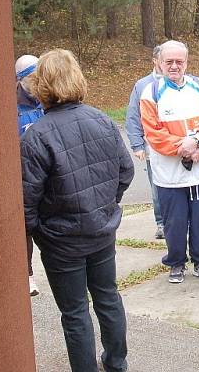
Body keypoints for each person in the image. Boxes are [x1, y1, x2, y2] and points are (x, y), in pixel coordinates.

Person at [21, 49, 134, 372]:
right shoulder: (101, 119)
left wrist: (39, 232)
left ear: (41, 84)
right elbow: (125, 172)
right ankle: (116, 363)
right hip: (97, 232)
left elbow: (27, 200)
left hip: (64, 240)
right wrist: (104, 205)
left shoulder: (37, 136)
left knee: (75, 312)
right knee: (107, 297)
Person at [139, 40, 199, 283]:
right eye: (169, 62)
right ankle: (176, 263)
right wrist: (185, 149)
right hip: (169, 174)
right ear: (159, 63)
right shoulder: (150, 93)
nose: (174, 66)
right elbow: (154, 134)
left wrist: (197, 140)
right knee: (174, 223)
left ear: (186, 62)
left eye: (179, 61)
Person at [125, 45, 165, 239]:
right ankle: (161, 223)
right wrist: (137, 144)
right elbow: (133, 116)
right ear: (155, 61)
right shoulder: (142, 85)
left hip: (176, 147)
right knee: (157, 186)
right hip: (152, 148)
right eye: (165, 59)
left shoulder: (181, 82)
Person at [16, 54, 44, 297]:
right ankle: (27, 275)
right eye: (34, 78)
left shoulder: (48, 99)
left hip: (48, 173)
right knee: (25, 227)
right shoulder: (11, 106)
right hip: (24, 176)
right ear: (21, 80)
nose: (39, 84)